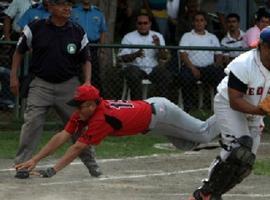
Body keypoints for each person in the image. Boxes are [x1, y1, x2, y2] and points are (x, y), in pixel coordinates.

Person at [14, 84, 221, 178]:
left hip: (161, 114)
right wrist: (36, 159)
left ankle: (230, 110)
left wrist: (53, 170)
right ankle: (232, 126)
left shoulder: (101, 119)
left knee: (203, 133)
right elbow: (63, 135)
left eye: (80, 104)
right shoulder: (85, 112)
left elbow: (77, 147)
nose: (76, 109)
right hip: (153, 115)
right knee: (187, 144)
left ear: (93, 105)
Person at [10, 0, 101, 179]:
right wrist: (13, 77)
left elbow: (86, 59)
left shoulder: (77, 30)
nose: (67, 8)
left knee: (79, 127)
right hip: (40, 84)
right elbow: (18, 51)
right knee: (32, 124)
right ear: (50, 7)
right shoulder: (35, 27)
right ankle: (22, 165)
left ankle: (92, 165)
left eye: (69, 4)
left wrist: (88, 82)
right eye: (61, 4)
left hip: (69, 85)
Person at [188, 26, 270, 200]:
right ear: (261, 45)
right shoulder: (244, 64)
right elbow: (235, 100)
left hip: (255, 110)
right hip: (229, 105)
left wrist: (260, 111)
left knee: (245, 165)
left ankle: (214, 193)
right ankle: (205, 193)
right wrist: (259, 110)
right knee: (239, 148)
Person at [178, 11, 224, 112]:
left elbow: (219, 54)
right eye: (197, 20)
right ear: (193, 23)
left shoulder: (212, 37)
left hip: (208, 68)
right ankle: (187, 108)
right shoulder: (187, 36)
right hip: (191, 67)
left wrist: (216, 65)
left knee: (221, 76)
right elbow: (183, 54)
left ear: (205, 23)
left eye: (201, 20)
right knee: (184, 77)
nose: (199, 23)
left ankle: (219, 108)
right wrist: (193, 68)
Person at [118, 13, 171, 99]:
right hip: (135, 68)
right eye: (140, 23)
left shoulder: (157, 36)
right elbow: (122, 58)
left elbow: (164, 57)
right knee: (132, 73)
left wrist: (158, 46)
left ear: (150, 24)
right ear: (136, 24)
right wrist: (135, 55)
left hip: (152, 69)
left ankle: (160, 104)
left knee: (164, 74)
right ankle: (138, 105)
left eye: (145, 23)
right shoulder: (128, 37)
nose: (142, 25)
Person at [71, 0, 108, 91]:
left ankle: (95, 98)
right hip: (77, 46)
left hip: (93, 47)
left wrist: (102, 49)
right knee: (75, 72)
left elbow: (102, 31)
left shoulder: (98, 13)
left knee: (94, 74)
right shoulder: (73, 11)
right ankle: (75, 95)